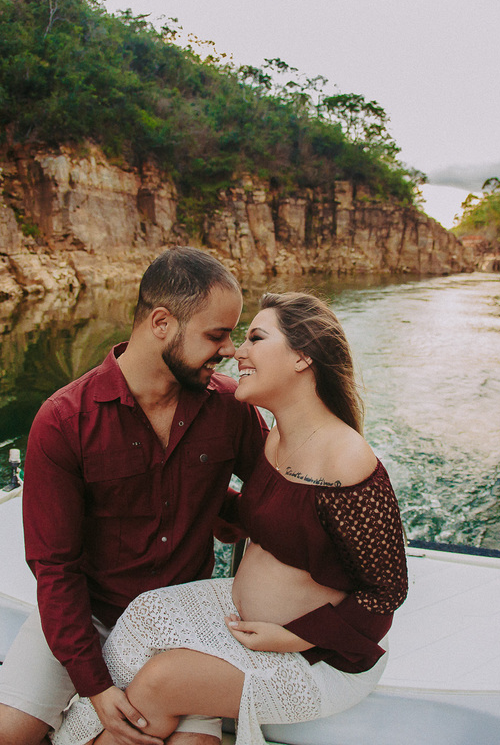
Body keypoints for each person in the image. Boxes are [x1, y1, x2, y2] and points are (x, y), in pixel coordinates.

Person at [55, 292, 409, 745]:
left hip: (319, 658)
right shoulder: (276, 437)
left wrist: (296, 637)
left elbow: (387, 591)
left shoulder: (345, 458)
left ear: (302, 357)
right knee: (143, 615)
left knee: (162, 680)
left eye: (256, 338)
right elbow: (277, 515)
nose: (237, 351)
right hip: (240, 615)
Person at [0, 247, 268, 745]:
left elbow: (274, 498)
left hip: (182, 618)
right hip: (91, 608)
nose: (228, 350)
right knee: (2, 733)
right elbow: (55, 567)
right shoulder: (63, 421)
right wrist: (94, 685)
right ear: (161, 323)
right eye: (216, 335)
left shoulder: (229, 407)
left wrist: (226, 509)